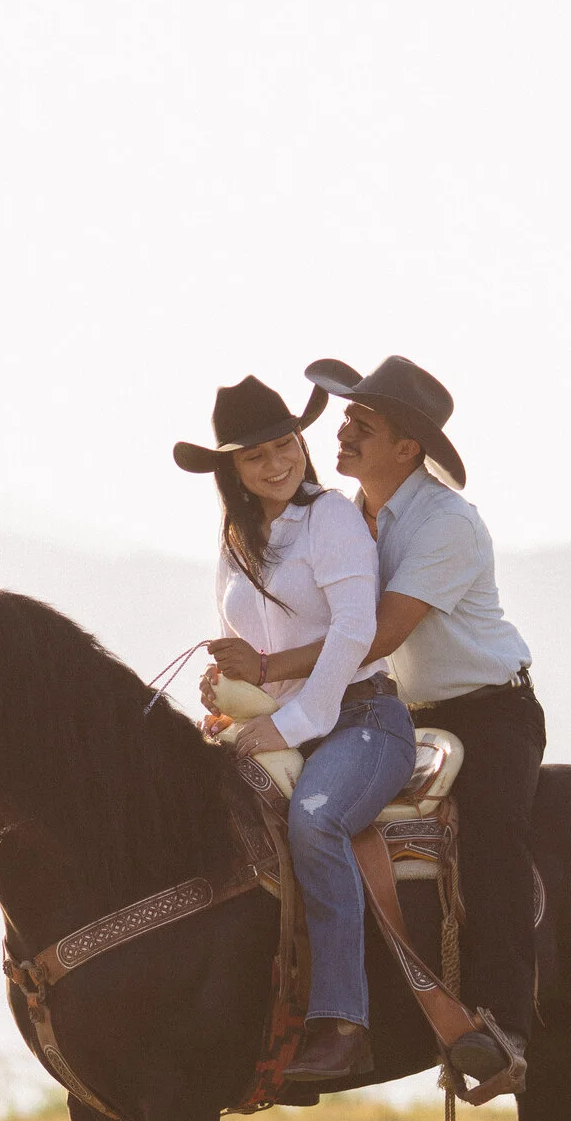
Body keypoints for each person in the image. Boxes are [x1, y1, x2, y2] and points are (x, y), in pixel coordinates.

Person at [247, 356, 538, 1083]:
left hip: (488, 711)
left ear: (408, 448)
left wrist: (268, 672)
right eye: (346, 420)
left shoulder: (448, 525)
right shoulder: (344, 515)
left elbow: (376, 634)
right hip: (394, 709)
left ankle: (506, 1024)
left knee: (493, 847)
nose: (341, 433)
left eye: (362, 425)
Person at [174, 376, 417, 1082]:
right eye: (255, 456)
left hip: (361, 719)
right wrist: (228, 697)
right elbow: (237, 639)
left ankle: (343, 1021)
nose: (275, 463)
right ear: (233, 470)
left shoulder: (331, 519)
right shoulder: (234, 540)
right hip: (274, 722)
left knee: (315, 819)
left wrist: (295, 720)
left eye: (284, 445)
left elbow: (355, 630)